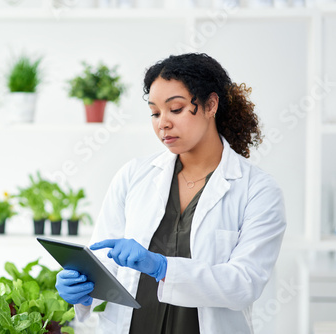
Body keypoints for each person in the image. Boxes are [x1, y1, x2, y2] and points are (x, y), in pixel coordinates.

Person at [55, 53, 286, 334]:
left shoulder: (257, 190)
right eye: (154, 112)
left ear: (211, 105)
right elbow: (103, 261)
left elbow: (244, 283)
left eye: (175, 109)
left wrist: (161, 266)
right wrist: (83, 290)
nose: (162, 123)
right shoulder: (133, 176)